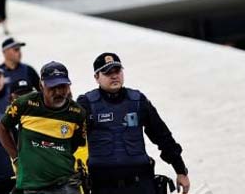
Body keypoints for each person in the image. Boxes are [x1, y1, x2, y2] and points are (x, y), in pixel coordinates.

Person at [76, 53, 190, 194]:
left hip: (140, 185)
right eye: (107, 73)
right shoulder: (86, 104)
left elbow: (163, 136)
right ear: (96, 77)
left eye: (117, 71)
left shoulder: (138, 101)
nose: (114, 76)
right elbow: (70, 142)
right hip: (104, 187)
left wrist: (180, 170)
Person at [0, 61, 86, 193]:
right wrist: (16, 158)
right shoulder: (24, 104)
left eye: (62, 86)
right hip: (34, 185)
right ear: (41, 86)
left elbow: (76, 144)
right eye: (52, 87)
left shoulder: (77, 113)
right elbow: (2, 127)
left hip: (66, 182)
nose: (58, 92)